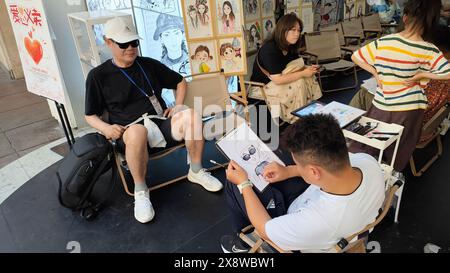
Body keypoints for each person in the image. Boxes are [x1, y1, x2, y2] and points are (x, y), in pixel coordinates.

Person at [84, 17, 223, 224]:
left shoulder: (148, 64)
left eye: (134, 43)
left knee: (191, 115)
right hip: (128, 131)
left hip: (158, 122)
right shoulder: (98, 76)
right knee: (138, 132)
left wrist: (177, 105)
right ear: (109, 42)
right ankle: (140, 191)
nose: (131, 48)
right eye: (124, 44)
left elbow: (179, 81)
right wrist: (106, 128)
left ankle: (196, 170)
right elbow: (89, 115)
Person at [220, 114, 385, 253]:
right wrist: (289, 171)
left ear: (314, 172)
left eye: (298, 164)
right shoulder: (368, 163)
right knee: (278, 169)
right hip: (332, 212)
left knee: (234, 184)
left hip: (306, 229)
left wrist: (243, 183)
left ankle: (242, 244)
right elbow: (322, 169)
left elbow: (265, 228)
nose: (296, 166)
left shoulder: (317, 221)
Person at [350, 0, 450, 171]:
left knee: (369, 141)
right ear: (430, 24)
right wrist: (423, 74)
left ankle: (362, 174)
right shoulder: (429, 50)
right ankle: (389, 179)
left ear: (404, 18)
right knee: (396, 150)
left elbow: (355, 56)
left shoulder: (385, 41)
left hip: (382, 104)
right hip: (409, 110)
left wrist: (375, 72)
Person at [250, 13, 319, 85]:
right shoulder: (269, 49)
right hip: (261, 89)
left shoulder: (290, 46)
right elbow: (278, 79)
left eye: (298, 30)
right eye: (293, 30)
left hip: (278, 86)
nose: (297, 34)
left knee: (308, 78)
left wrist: (309, 69)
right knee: (300, 81)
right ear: (282, 30)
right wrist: (303, 73)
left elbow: (296, 67)